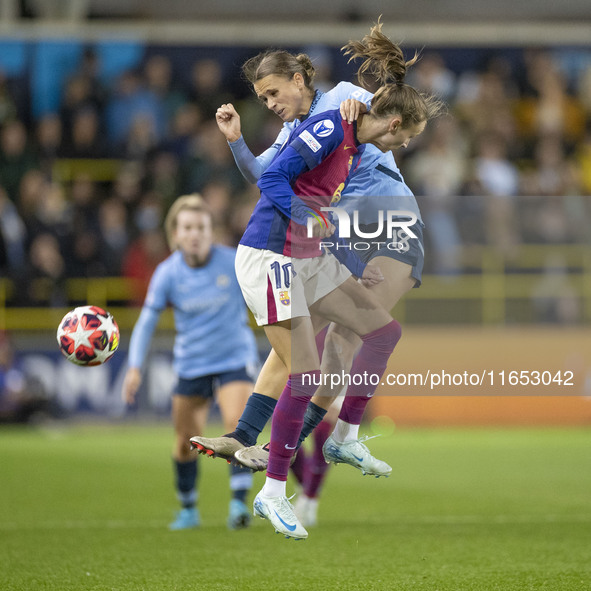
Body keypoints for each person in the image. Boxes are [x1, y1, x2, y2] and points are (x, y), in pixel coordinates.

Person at [193, 24, 441, 539]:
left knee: (379, 333)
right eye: (263, 98)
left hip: (316, 246)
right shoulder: (328, 128)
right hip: (274, 257)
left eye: (273, 93)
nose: (270, 104)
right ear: (394, 124)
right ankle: (275, 482)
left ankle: (326, 436)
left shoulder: (345, 117)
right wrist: (301, 208)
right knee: (304, 367)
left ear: (300, 79)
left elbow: (320, 187)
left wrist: (342, 250)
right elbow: (272, 178)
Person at [122, 194, 258, 531]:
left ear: (211, 231)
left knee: (236, 428)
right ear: (176, 234)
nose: (194, 233)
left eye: (201, 226)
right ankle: (188, 509)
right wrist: (135, 366)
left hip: (234, 358)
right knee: (186, 441)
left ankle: (239, 507)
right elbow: (146, 322)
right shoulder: (167, 273)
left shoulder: (234, 261)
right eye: (187, 227)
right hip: (192, 363)